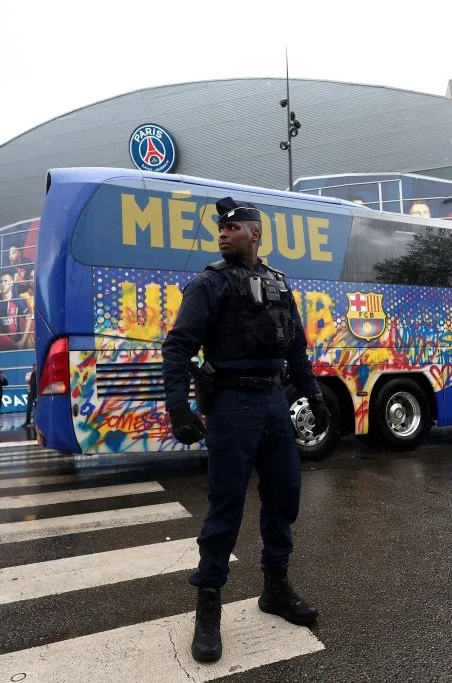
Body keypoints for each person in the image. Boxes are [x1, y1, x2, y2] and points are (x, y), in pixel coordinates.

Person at [161, 196, 331, 664]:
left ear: (255, 233)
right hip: (232, 407)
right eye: (220, 228)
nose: (223, 232)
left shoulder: (277, 283)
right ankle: (208, 608)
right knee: (225, 507)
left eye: (233, 227)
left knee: (285, 497)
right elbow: (177, 349)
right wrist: (178, 407)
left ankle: (275, 589)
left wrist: (312, 395)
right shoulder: (208, 284)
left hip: (275, 404)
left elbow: (295, 345)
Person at [0, 273, 28, 351]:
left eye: (5, 281)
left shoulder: (18, 301)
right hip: (2, 345)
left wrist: (23, 340)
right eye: (1, 281)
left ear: (11, 282)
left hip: (17, 344)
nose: (3, 284)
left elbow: (29, 319)